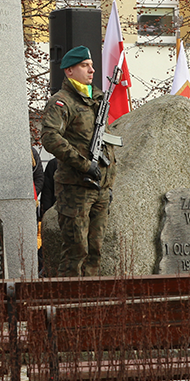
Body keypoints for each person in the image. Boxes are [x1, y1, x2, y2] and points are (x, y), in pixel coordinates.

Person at [41, 46, 115, 277]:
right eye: (85, 65)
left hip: (100, 188)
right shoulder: (62, 102)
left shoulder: (98, 99)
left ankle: (91, 304)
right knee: (76, 251)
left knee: (95, 251)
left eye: (91, 65)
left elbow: (107, 143)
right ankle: (68, 303)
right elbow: (50, 138)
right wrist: (84, 164)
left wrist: (108, 179)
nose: (91, 70)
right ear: (69, 71)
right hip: (76, 187)